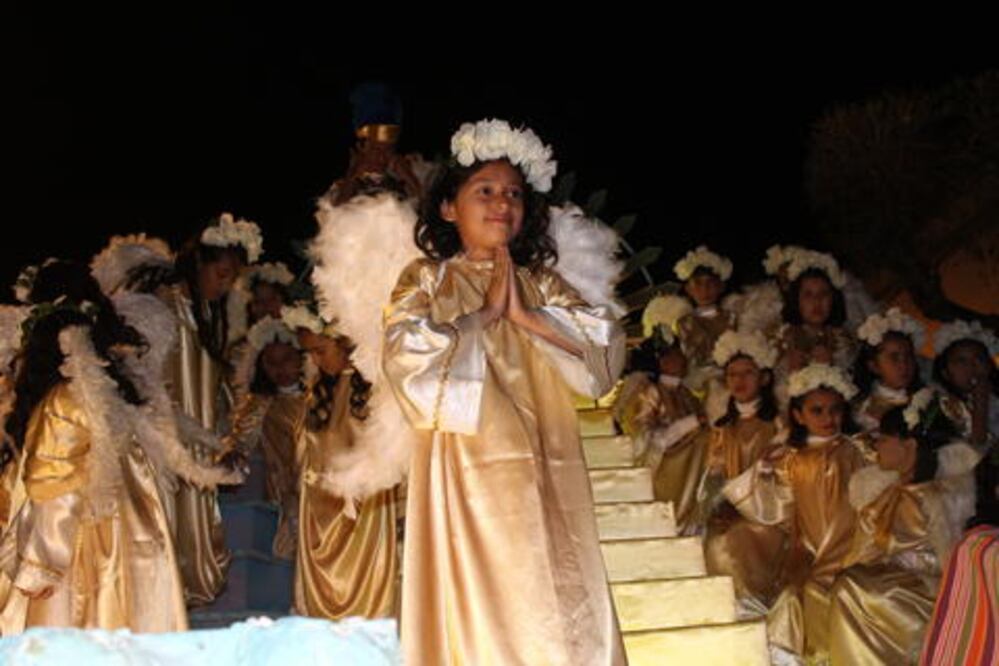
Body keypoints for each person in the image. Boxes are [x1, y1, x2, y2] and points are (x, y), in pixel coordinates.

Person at [382, 119, 626, 665]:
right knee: (487, 592)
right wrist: (483, 316)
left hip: (546, 456)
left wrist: (526, 315)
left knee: (555, 581)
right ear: (449, 207)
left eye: (514, 193)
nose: (502, 203)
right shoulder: (427, 278)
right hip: (468, 467)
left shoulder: (541, 284)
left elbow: (604, 356)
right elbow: (404, 354)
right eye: (485, 191)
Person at [281, 303, 398, 621]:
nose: (313, 361)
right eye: (308, 354)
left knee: (364, 586)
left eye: (320, 351)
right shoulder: (315, 393)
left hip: (362, 508)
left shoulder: (373, 388)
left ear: (344, 342)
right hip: (319, 508)